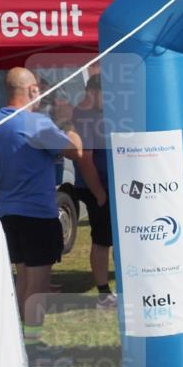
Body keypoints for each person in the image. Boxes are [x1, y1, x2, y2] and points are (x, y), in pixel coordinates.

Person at [0, 68, 101, 354]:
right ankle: (32, 344)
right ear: (31, 90)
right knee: (38, 284)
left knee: (23, 279)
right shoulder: (35, 124)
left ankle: (18, 343)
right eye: (39, 89)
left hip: (7, 212)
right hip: (37, 214)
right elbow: (76, 151)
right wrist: (67, 120)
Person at [71, 75, 116, 309]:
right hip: (97, 187)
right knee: (102, 239)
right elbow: (84, 158)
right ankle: (103, 293)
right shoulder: (85, 117)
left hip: (107, 186)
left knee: (108, 238)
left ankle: (107, 290)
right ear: (93, 92)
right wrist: (99, 193)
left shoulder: (95, 114)